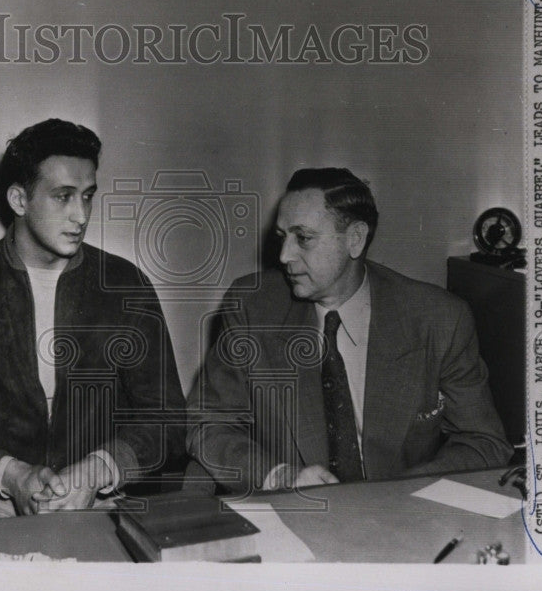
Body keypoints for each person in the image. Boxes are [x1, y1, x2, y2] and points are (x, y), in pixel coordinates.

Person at [0, 119, 186, 523]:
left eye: (87, 196)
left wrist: (99, 468)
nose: (80, 215)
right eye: (63, 197)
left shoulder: (125, 286)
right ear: (19, 200)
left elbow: (167, 417)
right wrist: (10, 474)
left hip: (99, 496)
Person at [187, 168, 512, 493]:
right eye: (281, 237)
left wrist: (401, 494)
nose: (285, 255)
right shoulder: (253, 308)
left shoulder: (438, 318)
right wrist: (281, 477)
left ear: (355, 239)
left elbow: (483, 442)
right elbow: (206, 423)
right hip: (296, 513)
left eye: (303, 238)